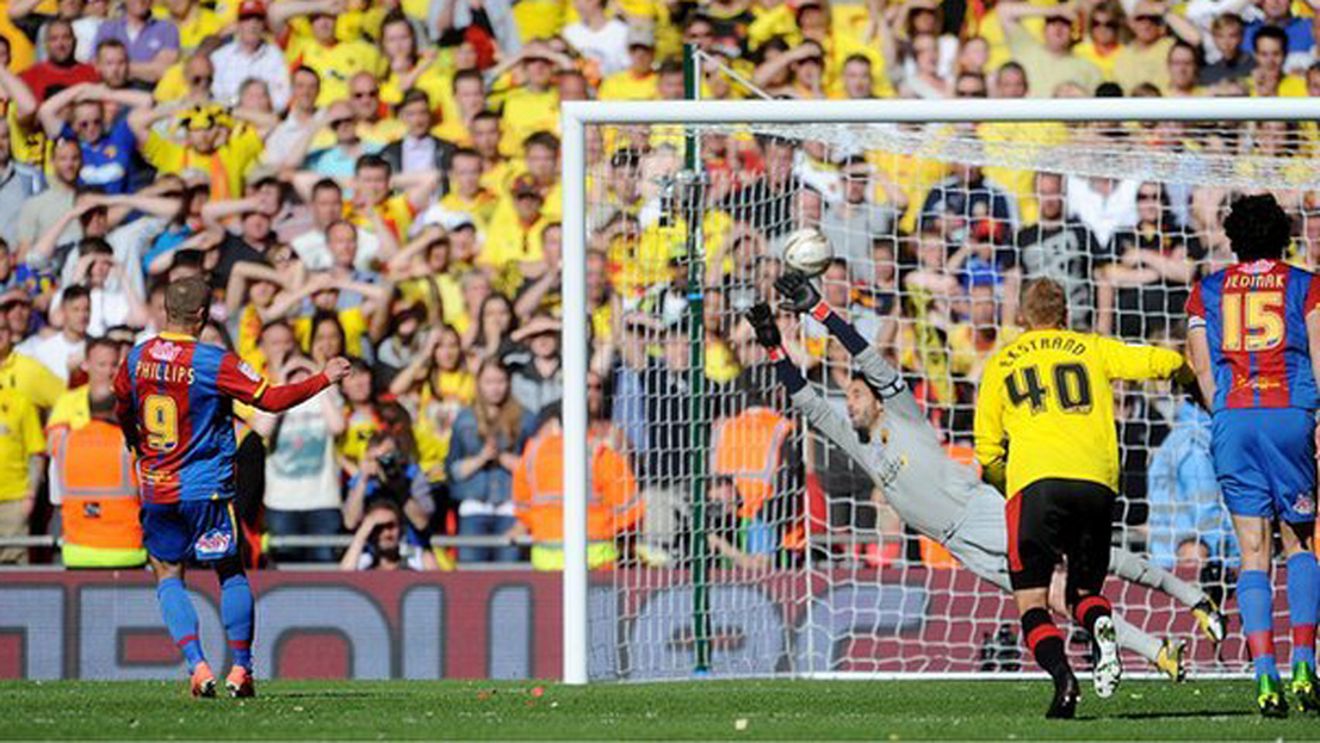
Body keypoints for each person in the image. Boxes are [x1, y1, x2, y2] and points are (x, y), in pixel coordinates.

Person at [746, 272, 1223, 685]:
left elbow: (870, 359)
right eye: (847, 395)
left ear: (878, 397)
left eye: (855, 393)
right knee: (1057, 599)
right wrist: (774, 349)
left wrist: (823, 311)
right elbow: (810, 405)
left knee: (1083, 566)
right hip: (960, 544)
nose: (849, 402)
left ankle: (1188, 593)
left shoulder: (905, 416)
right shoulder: (863, 449)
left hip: (980, 512)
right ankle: (1159, 652)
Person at [112, 277, 350, 698]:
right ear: (202, 316)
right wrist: (324, 378)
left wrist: (138, 445)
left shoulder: (136, 358)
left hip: (158, 488)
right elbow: (271, 400)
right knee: (229, 571)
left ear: (165, 310)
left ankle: (197, 666)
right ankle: (241, 669)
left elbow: (123, 407)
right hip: (207, 489)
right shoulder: (212, 361)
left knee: (168, 574)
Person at [973, 277, 1199, 717]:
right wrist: (1190, 377)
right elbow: (1160, 360)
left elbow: (986, 449)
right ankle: (1099, 625)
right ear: (1065, 316)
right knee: (1083, 592)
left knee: (1033, 603)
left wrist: (1009, 484)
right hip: (1095, 484)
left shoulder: (1001, 364)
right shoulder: (1090, 348)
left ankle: (1063, 679)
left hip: (1035, 486)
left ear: (1022, 317)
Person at [1185, 193, 1320, 716]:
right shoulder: (1306, 285)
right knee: (1302, 540)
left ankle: (1265, 677)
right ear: (1283, 234)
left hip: (1234, 419)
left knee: (1253, 552)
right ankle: (1305, 660)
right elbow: (1316, 352)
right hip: (1291, 415)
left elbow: (1201, 372)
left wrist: (1228, 414)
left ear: (1234, 237)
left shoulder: (1206, 292)